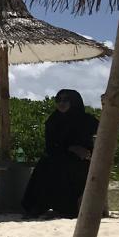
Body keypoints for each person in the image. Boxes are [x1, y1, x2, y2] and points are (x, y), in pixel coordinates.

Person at [21, 89, 98, 218]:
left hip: (83, 159)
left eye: (66, 100)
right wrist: (71, 148)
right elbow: (50, 146)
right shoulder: (53, 120)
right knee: (47, 165)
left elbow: (104, 134)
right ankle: (37, 207)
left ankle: (68, 208)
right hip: (58, 155)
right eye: (59, 100)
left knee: (70, 167)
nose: (61, 103)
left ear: (74, 102)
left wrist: (90, 152)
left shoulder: (86, 120)